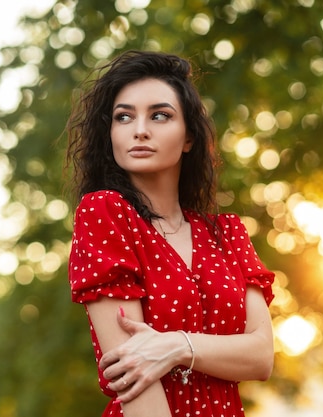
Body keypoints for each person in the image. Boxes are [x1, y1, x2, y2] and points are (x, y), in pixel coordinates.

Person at [66, 50, 275, 417]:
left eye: (159, 115)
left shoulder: (227, 234)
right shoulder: (105, 214)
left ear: (190, 137)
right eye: (123, 117)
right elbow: (133, 376)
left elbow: (261, 357)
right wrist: (217, 352)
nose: (139, 129)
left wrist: (177, 347)